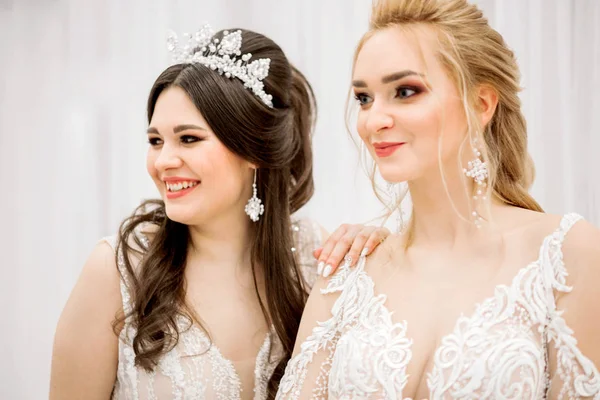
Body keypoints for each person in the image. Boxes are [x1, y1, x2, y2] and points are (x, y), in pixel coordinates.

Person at [277, 1, 600, 398]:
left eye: (405, 91)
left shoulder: (565, 255)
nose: (373, 120)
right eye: (364, 98)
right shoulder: (347, 275)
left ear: (481, 104)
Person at [49, 25, 389, 399]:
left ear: (252, 151)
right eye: (155, 141)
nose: (164, 161)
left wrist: (380, 253)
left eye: (188, 139)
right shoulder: (118, 269)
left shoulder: (314, 258)